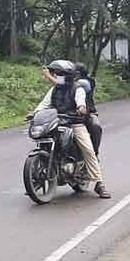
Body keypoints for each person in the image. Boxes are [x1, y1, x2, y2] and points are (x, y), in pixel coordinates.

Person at [31, 60, 111, 199]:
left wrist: (81, 108)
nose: (56, 76)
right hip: (57, 122)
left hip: (75, 123)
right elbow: (44, 104)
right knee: (44, 139)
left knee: (88, 149)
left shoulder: (78, 88)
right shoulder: (54, 89)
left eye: (59, 74)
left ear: (67, 75)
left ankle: (99, 183)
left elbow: (81, 103)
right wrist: (34, 113)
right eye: (55, 74)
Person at [40, 62, 102, 157]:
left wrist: (48, 75)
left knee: (95, 126)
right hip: (67, 115)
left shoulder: (84, 83)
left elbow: (62, 83)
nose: (61, 75)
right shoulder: (62, 86)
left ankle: (94, 152)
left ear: (76, 73)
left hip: (86, 112)